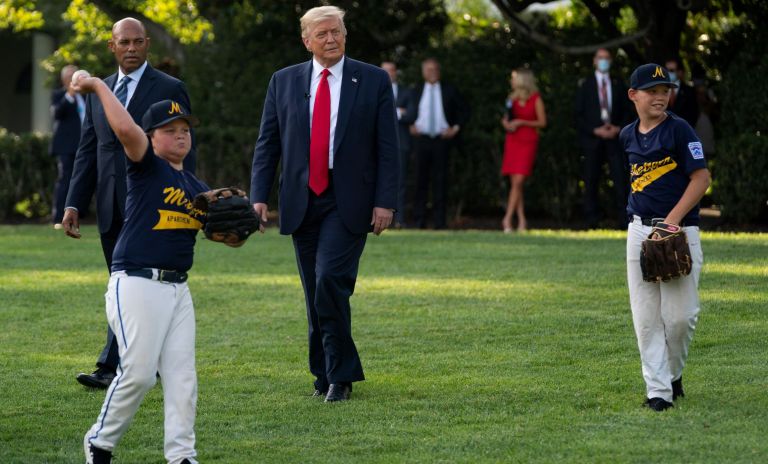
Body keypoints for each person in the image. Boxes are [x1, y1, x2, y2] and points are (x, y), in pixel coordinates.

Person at [251, 5, 398, 403]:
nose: (331, 39)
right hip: (301, 201)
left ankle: (340, 376)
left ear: (345, 35)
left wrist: (385, 202)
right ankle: (325, 374)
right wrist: (258, 197)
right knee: (313, 289)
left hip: (348, 200)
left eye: (337, 32)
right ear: (306, 40)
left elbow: (388, 147)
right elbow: (268, 143)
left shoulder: (372, 80)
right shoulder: (283, 81)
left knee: (330, 280)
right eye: (322, 34)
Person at [70, 65, 208, 463]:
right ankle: (99, 440)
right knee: (140, 373)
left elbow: (221, 229)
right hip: (136, 282)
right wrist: (97, 85)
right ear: (152, 137)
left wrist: (239, 225)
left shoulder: (196, 187)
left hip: (178, 289)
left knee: (182, 378)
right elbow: (126, 130)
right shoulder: (146, 166)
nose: (180, 134)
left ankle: (182, 455)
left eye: (184, 128)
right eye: (170, 128)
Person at [62, 17, 197, 390]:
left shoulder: (170, 87)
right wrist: (73, 202)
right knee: (120, 284)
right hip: (110, 202)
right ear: (113, 46)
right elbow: (88, 149)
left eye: (138, 42)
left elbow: (184, 144)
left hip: (153, 205)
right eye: (125, 42)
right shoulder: (100, 90)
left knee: (136, 286)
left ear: (148, 44)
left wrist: (188, 200)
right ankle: (139, 361)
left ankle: (111, 365)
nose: (132, 48)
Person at [621, 63, 710, 412]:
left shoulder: (680, 130)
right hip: (640, 229)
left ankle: (673, 375)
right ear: (633, 95)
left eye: (664, 90)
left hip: (679, 231)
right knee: (645, 318)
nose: (660, 96)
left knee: (679, 317)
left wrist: (670, 223)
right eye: (652, 90)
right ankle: (658, 392)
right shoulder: (627, 135)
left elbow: (701, 179)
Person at [575, 48, 633, 229]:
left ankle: (624, 219)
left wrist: (617, 128)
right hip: (593, 140)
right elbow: (578, 114)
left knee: (620, 179)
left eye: (607, 58)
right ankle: (591, 219)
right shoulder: (586, 85)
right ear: (594, 60)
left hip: (615, 139)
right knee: (591, 178)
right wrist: (595, 130)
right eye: (600, 58)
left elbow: (627, 111)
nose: (603, 61)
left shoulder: (618, 84)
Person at [410, 57, 470, 229]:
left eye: (435, 69)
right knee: (419, 182)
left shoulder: (449, 90)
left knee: (441, 182)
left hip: (442, 142)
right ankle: (419, 222)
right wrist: (410, 125)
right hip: (421, 141)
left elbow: (465, 110)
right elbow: (403, 110)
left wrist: (455, 128)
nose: (432, 72)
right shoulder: (416, 90)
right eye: (429, 70)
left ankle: (439, 224)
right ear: (423, 72)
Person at [500, 68, 547, 233]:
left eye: (513, 79)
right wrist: (507, 124)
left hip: (528, 141)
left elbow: (542, 122)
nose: (511, 82)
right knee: (515, 184)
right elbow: (506, 118)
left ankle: (507, 218)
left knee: (519, 180)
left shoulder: (536, 99)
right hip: (512, 141)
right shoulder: (511, 99)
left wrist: (522, 122)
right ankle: (521, 220)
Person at [49, 65, 87, 227]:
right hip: (66, 147)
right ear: (65, 79)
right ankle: (59, 217)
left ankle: (81, 215)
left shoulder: (86, 96)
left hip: (85, 146)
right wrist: (70, 95)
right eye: (71, 76)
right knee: (65, 180)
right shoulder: (58, 95)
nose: (75, 79)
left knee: (86, 180)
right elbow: (57, 114)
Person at [381, 61, 417, 228]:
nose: (389, 74)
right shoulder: (373, 89)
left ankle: (399, 220)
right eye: (385, 71)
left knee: (400, 181)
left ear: (396, 72)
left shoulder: (407, 91)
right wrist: (398, 111)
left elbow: (411, 115)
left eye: (392, 70)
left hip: (401, 143)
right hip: (377, 143)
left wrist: (392, 112)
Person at [664, 57, 699, 127]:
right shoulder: (658, 91)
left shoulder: (689, 91)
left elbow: (693, 116)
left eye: (671, 70)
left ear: (680, 72)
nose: (667, 73)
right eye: (665, 70)